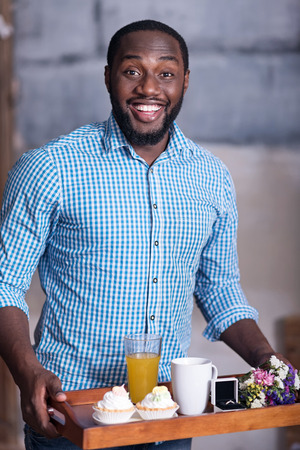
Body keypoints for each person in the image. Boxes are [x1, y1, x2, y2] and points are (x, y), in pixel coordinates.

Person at [0, 20, 290, 450]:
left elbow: (221, 289)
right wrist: (28, 373)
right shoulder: (50, 168)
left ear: (185, 82)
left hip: (167, 416)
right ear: (108, 76)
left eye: (166, 73)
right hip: (74, 414)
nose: (148, 88)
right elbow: (4, 284)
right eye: (132, 71)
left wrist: (269, 363)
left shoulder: (212, 178)